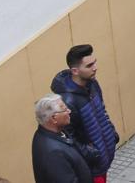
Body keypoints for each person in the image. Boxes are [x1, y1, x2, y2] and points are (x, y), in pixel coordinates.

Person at [50, 45, 118, 180]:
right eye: (89, 65)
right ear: (75, 71)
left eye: (95, 62)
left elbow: (102, 111)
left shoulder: (92, 84)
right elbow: (69, 137)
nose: (95, 67)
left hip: (104, 158)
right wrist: (90, 154)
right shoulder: (67, 101)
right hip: (91, 169)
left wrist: (112, 133)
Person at [32, 94, 93, 183]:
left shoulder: (56, 131)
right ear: (54, 118)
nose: (69, 111)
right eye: (65, 110)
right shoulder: (53, 153)